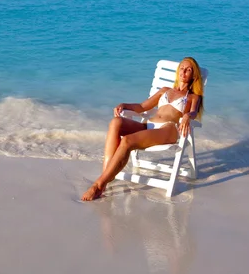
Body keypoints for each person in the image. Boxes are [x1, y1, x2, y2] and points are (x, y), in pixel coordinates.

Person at [81, 57, 204, 201]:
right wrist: (124, 105)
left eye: (188, 69)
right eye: (182, 68)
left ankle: (98, 185)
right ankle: (105, 180)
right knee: (116, 122)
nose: (184, 72)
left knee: (127, 141)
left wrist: (187, 116)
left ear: (193, 76)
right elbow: (142, 107)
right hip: (149, 125)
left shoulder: (193, 97)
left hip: (168, 129)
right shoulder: (165, 91)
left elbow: (194, 112)